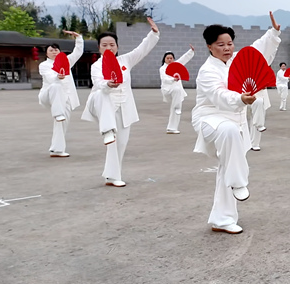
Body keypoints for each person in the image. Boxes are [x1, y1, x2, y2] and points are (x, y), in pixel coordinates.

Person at [192, 12, 281, 234]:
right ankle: (239, 181)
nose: (227, 48)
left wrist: (273, 33)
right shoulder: (207, 71)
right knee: (230, 133)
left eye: (230, 43)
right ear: (210, 47)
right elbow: (219, 95)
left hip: (236, 120)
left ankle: (222, 219)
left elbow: (258, 50)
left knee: (226, 166)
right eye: (220, 44)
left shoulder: (237, 60)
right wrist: (240, 99)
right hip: (210, 119)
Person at [81, 18, 160, 187]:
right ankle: (107, 129)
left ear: (117, 46)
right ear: (99, 47)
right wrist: (108, 84)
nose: (109, 47)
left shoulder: (125, 61)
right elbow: (98, 82)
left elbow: (142, 49)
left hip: (123, 107)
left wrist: (153, 33)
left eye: (112, 44)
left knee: (120, 143)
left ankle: (112, 176)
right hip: (102, 104)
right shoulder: (96, 66)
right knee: (102, 95)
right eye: (104, 45)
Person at [38, 31, 84, 157]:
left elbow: (78, 52)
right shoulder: (44, 65)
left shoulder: (67, 61)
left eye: (56, 50)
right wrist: (58, 76)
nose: (54, 52)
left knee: (62, 123)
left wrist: (79, 38)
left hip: (65, 98)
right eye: (51, 50)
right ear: (46, 53)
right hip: (48, 96)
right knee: (56, 85)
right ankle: (58, 113)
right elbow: (50, 78)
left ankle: (57, 150)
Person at [159, 45, 195, 134]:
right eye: (168, 58)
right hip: (169, 90)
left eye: (171, 58)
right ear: (164, 59)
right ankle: (172, 127)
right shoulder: (162, 69)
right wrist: (173, 79)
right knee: (176, 108)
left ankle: (172, 127)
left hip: (177, 91)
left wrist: (191, 51)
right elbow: (164, 79)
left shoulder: (176, 65)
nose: (170, 60)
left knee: (176, 108)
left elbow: (184, 59)